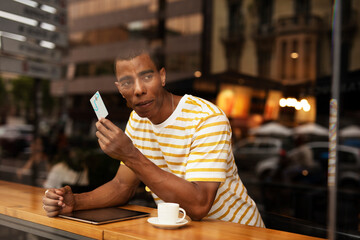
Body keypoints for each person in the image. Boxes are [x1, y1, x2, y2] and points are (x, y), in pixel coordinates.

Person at [42, 48, 264, 227]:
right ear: (120, 89)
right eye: (128, 82)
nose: (138, 90)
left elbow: (198, 205)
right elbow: (122, 186)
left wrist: (130, 154)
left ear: (163, 76)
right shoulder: (137, 121)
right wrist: (75, 202)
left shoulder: (206, 118)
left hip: (238, 231)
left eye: (147, 77)